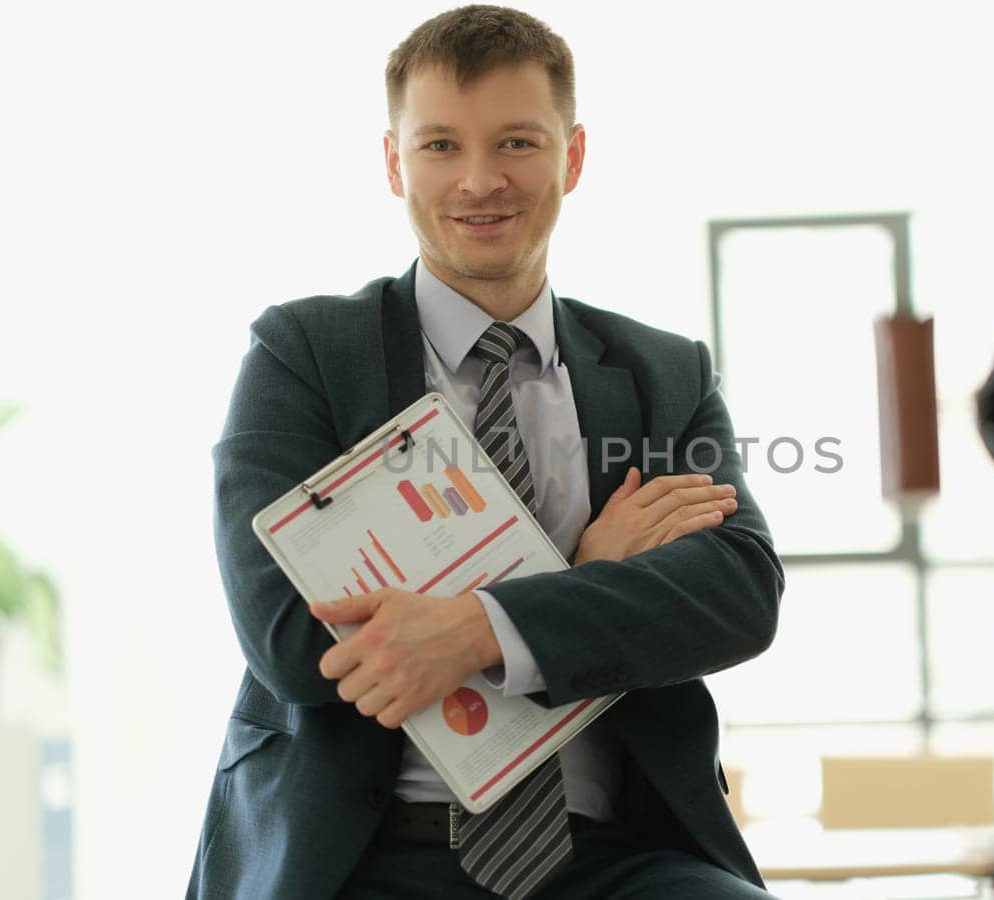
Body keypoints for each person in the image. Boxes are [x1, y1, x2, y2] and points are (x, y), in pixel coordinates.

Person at [187, 6, 784, 898]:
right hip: (362, 854)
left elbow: (737, 592)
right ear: (394, 162)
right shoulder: (304, 354)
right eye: (438, 147)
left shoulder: (663, 373)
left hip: (611, 857)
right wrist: (581, 581)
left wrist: (476, 629)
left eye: (515, 143)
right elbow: (288, 635)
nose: (479, 181)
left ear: (572, 157)